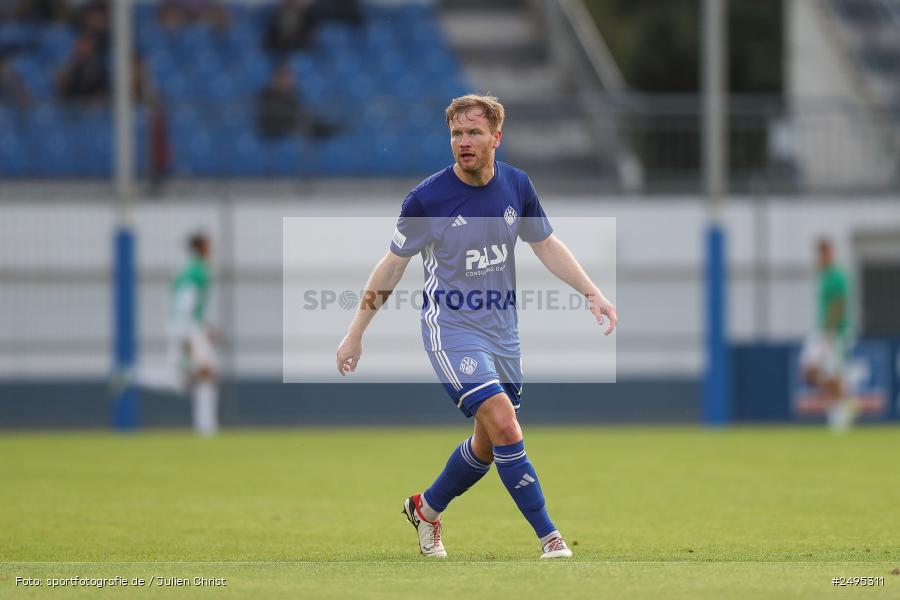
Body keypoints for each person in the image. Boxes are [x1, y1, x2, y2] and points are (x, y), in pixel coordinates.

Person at [335, 95, 617, 559]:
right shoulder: (427, 198)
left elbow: (546, 244)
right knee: (506, 424)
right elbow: (391, 266)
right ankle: (550, 539)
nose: (463, 142)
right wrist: (356, 332)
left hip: (502, 332)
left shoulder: (517, 186)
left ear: (496, 138)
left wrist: (592, 292)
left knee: (487, 446)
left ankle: (425, 509)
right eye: (456, 134)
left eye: (473, 133)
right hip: (451, 329)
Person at [128, 232, 219, 436]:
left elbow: (186, 304)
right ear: (199, 248)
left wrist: (206, 327)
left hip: (186, 327)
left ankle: (207, 428)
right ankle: (135, 375)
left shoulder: (188, 270)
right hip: (185, 329)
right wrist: (188, 336)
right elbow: (184, 304)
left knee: (192, 377)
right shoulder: (196, 272)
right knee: (192, 377)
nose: (212, 249)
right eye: (208, 245)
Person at [800, 238, 855, 431]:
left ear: (830, 253)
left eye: (824, 253)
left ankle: (840, 411)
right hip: (822, 330)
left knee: (832, 371)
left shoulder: (837, 277)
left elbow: (839, 304)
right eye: (819, 254)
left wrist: (830, 331)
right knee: (810, 370)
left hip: (835, 332)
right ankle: (839, 404)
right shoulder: (822, 276)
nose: (820, 258)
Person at [256, 65, 338, 139]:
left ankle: (332, 130)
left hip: (296, 127)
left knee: (316, 125)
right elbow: (272, 119)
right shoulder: (267, 96)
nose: (289, 81)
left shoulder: (292, 94)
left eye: (290, 78)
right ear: (277, 79)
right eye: (285, 78)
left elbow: (299, 110)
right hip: (277, 132)